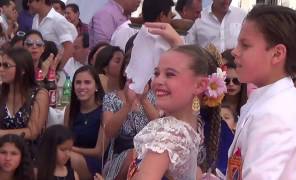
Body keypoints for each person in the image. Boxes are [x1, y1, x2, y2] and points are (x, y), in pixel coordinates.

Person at [227, 5, 296, 179]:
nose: (235, 51)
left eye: (245, 45)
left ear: (277, 54)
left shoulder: (274, 114)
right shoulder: (270, 101)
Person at [128, 44, 225, 179]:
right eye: (156, 73)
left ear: (199, 85)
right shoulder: (189, 129)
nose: (158, 80)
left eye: (170, 74)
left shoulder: (171, 132)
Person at [64, 65, 105, 180]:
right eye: (78, 83)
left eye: (87, 82)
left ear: (96, 86)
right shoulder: (70, 109)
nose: (82, 87)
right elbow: (63, 139)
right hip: (69, 154)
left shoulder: (104, 111)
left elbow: (99, 152)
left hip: (94, 162)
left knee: (64, 157)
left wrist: (70, 149)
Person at [0, 47, 49, 141]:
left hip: (27, 151)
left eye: (6, 65)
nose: (1, 69)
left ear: (22, 70)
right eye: (0, 65)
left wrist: (2, 134)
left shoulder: (39, 94)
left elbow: (32, 132)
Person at [29, 0, 77, 70]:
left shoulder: (57, 20)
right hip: (41, 68)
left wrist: (56, 69)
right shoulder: (35, 18)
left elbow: (69, 48)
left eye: (30, 1)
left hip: (57, 72)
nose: (28, 4)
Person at [221, 49, 247, 116]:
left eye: (236, 80)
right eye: (226, 81)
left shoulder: (250, 104)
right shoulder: (213, 106)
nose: (231, 84)